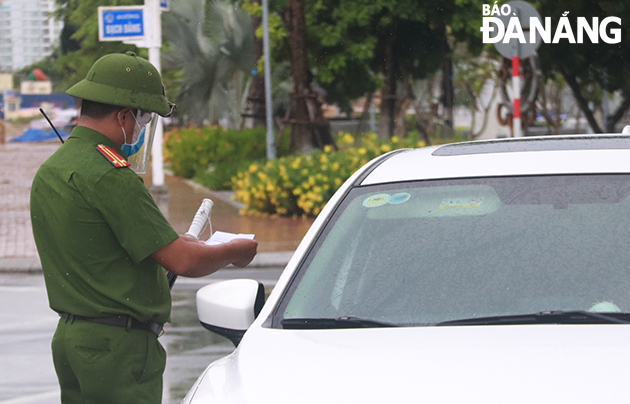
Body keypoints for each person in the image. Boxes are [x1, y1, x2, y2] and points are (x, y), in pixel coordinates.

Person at [30, 51, 258, 404]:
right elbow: (183, 261)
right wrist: (234, 251)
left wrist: (171, 243)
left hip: (73, 341)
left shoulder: (53, 169)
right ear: (123, 115)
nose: (142, 127)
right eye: (144, 117)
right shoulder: (109, 174)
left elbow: (102, 246)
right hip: (118, 349)